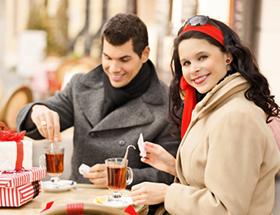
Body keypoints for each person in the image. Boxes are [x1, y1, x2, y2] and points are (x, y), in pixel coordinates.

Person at [130, 15, 280, 214]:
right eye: (186, 63)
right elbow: (216, 180)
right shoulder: (214, 107)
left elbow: (227, 208)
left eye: (202, 57)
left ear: (228, 56)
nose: (194, 69)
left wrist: (168, 194)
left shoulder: (236, 117)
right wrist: (175, 167)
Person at [16, 13, 180, 192]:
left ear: (144, 54)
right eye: (107, 58)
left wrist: (123, 175)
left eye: (124, 60)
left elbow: (171, 174)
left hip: (129, 206)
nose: (114, 68)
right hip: (77, 201)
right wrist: (37, 110)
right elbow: (31, 127)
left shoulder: (169, 104)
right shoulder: (81, 86)